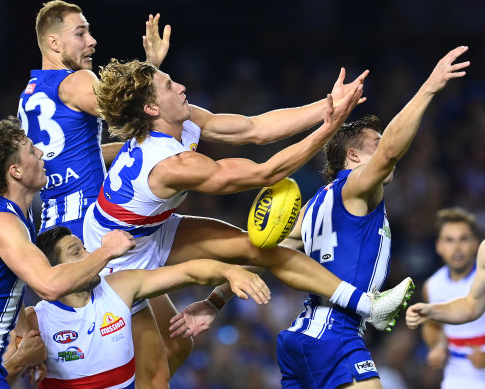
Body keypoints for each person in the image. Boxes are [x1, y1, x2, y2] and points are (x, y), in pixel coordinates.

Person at [83, 57, 416, 384]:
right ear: (152, 110)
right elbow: (266, 172)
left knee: (258, 248)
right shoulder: (172, 165)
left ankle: (368, 306)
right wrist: (327, 130)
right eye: (170, 86)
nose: (182, 86)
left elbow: (255, 128)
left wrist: (329, 105)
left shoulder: (181, 120)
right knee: (155, 376)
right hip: (119, 260)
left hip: (150, 229)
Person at [270, 47, 470, 389]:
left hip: (298, 337)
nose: (384, 153)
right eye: (374, 144)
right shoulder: (357, 186)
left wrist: (215, 301)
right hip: (335, 335)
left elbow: (260, 251)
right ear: (353, 156)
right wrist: (429, 88)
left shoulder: (314, 205)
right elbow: (392, 150)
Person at [0, 117, 135, 389]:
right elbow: (49, 286)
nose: (40, 152)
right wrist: (107, 251)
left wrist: (26, 338)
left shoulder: (10, 214)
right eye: (30, 150)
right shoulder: (4, 223)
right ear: (15, 171)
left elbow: (7, 287)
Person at [22, 225, 270, 388]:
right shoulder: (35, 320)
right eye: (77, 253)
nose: (90, 257)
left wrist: (229, 270)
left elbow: (188, 272)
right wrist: (19, 360)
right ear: (52, 273)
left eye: (86, 248)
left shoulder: (119, 286)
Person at [17, 0, 169, 241]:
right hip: (87, 225)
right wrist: (151, 68)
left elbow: (74, 154)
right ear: (53, 42)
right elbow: (129, 113)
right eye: (80, 33)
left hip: (51, 231)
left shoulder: (29, 94)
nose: (92, 40)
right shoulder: (77, 81)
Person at [406, 208, 485, 388]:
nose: (457, 248)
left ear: (475, 244)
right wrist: (438, 346)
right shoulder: (432, 285)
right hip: (455, 375)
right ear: (439, 246)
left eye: (463, 239)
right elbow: (433, 325)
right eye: (449, 240)